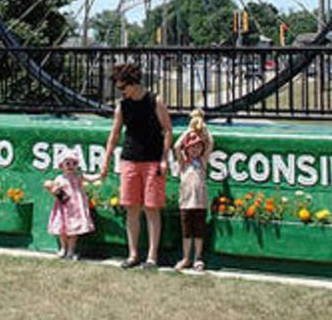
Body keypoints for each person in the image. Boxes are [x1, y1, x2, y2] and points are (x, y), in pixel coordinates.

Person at [99, 62, 173, 269]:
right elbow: (114, 136)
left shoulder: (154, 101)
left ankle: (151, 257)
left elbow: (167, 130)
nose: (121, 92)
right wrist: (105, 162)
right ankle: (132, 255)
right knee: (131, 208)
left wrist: (164, 158)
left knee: (151, 208)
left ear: (133, 83)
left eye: (123, 88)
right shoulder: (122, 106)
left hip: (152, 161)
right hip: (129, 159)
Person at [173, 109, 214, 271]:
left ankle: (198, 257)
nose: (195, 149)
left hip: (200, 203)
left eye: (198, 146)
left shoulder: (202, 162)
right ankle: (185, 257)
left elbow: (210, 142)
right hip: (185, 203)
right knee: (186, 233)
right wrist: (189, 131)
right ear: (187, 149)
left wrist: (203, 128)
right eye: (191, 147)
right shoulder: (184, 164)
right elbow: (176, 146)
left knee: (198, 232)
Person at [44, 148, 97, 260]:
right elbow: (53, 189)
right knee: (62, 230)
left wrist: (101, 175)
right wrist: (53, 189)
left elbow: (91, 178)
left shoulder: (78, 176)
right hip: (63, 209)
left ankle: (71, 250)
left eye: (74, 163)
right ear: (61, 166)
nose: (71, 166)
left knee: (74, 231)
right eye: (67, 163)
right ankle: (63, 248)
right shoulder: (59, 178)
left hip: (76, 209)